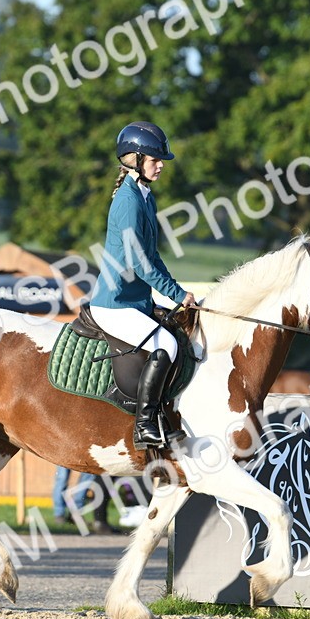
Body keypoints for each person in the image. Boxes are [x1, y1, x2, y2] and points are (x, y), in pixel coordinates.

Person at [91, 121, 196, 448]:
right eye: (154, 159)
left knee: (180, 335)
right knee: (167, 345)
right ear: (134, 159)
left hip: (136, 300)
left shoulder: (145, 197)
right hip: (115, 303)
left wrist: (180, 293)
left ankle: (164, 415)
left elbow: (153, 256)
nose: (161, 164)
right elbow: (140, 263)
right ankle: (145, 425)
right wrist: (176, 294)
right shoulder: (129, 201)